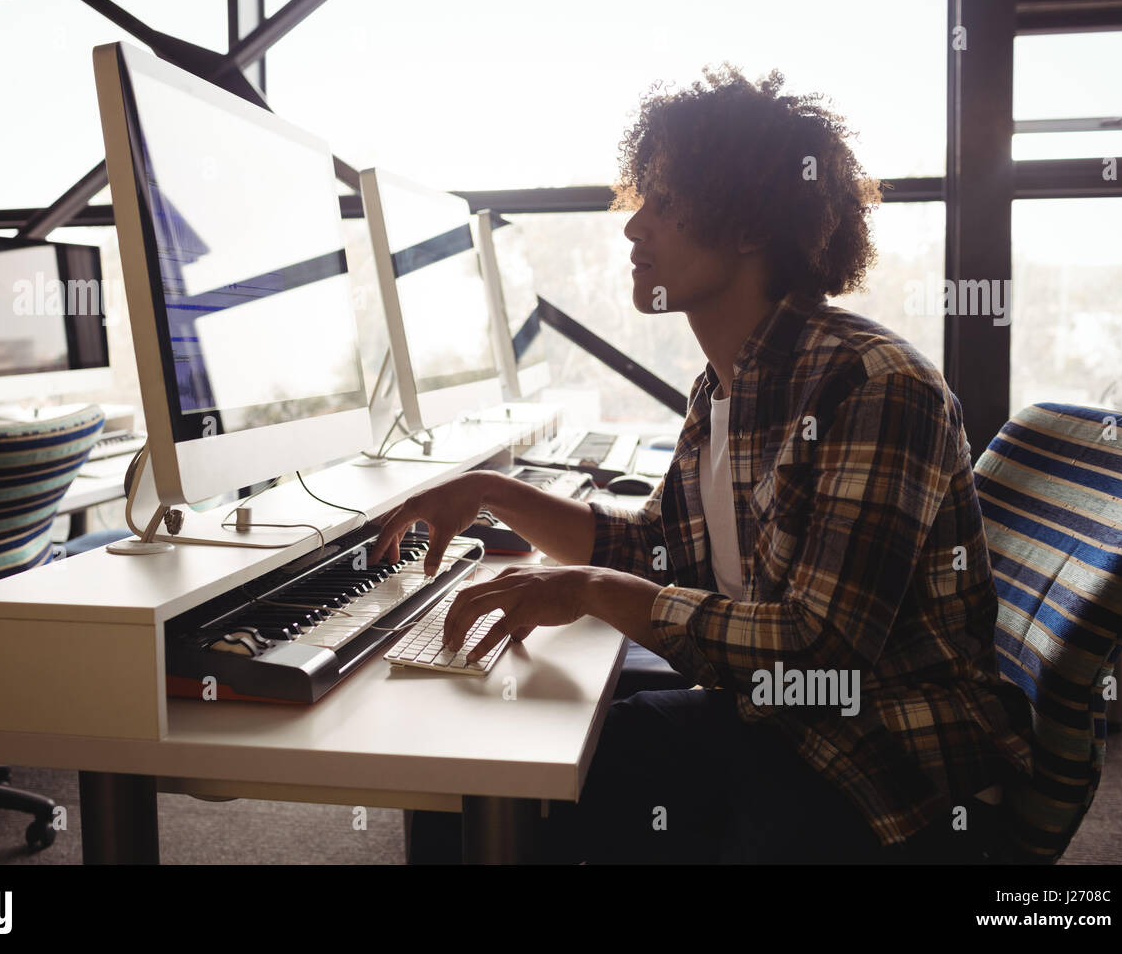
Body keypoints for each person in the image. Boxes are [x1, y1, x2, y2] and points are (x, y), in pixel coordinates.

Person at [370, 64, 1033, 864]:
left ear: (749, 224)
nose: (633, 227)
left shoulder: (872, 384)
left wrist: (585, 590)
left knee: (516, 773)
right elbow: (655, 548)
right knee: (486, 750)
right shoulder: (726, 384)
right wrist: (487, 492)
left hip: (885, 764)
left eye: (666, 202)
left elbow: (818, 648)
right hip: (779, 717)